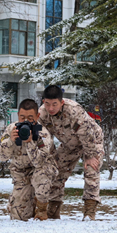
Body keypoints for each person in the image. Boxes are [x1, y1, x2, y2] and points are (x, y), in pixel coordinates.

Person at [39, 85, 104, 220]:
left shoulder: (73, 110)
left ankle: (89, 212)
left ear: (61, 102)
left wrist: (91, 156)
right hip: (70, 144)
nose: (51, 108)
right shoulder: (43, 114)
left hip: (92, 141)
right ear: (43, 101)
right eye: (47, 104)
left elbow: (87, 133)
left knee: (91, 170)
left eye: (54, 104)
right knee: (56, 170)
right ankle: (53, 210)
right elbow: (45, 139)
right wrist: (51, 157)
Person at [0, 98, 58, 220]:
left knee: (42, 174)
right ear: (18, 115)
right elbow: (1, 157)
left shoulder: (42, 133)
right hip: (21, 176)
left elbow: (39, 163)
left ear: (38, 116)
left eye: (30, 118)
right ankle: (22, 201)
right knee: (19, 216)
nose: (26, 121)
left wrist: (30, 143)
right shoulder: (11, 129)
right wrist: (10, 141)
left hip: (40, 172)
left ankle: (41, 208)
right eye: (22, 118)